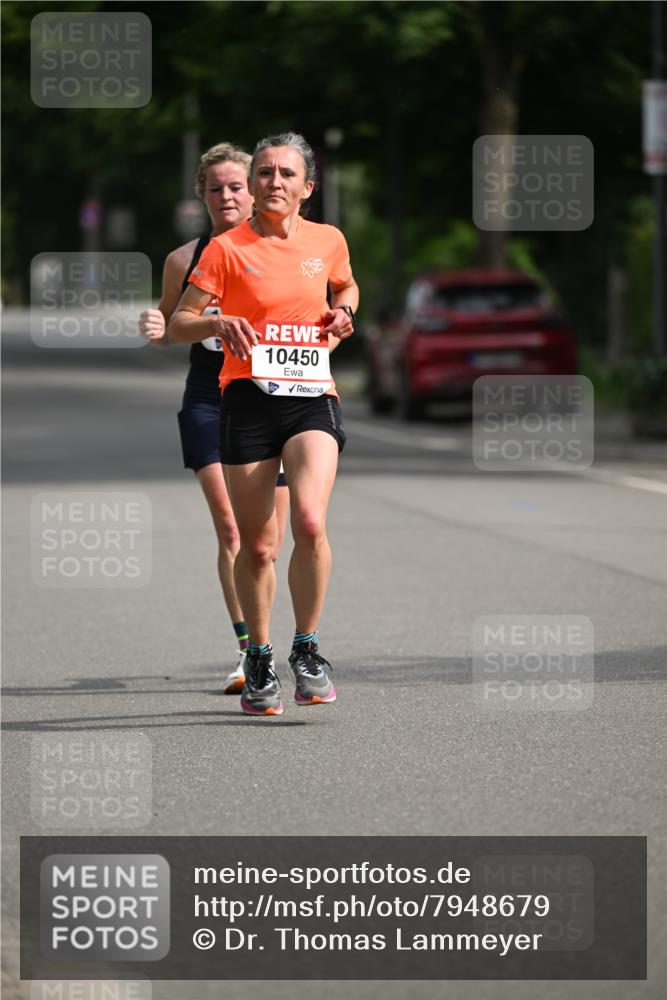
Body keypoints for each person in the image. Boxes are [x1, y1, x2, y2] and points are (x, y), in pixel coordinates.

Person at [168, 132, 358, 716]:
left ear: (308, 187)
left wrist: (345, 311)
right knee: (256, 546)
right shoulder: (225, 249)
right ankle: (258, 656)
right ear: (253, 186)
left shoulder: (328, 240)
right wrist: (217, 324)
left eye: (286, 174)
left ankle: (306, 649)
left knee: (308, 518)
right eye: (266, 173)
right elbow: (179, 323)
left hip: (310, 398)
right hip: (246, 399)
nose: (274, 182)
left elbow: (345, 284)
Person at [138, 143, 289, 694]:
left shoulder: (286, 247)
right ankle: (250, 651)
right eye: (215, 188)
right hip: (208, 397)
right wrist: (156, 326)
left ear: (253, 190)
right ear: (202, 195)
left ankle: (275, 642)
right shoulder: (184, 258)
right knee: (231, 526)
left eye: (235, 186)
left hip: (274, 398)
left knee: (267, 540)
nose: (226, 196)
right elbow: (169, 319)